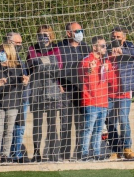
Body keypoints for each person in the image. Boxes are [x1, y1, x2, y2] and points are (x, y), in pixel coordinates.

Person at [106, 26, 134, 160]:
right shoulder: (107, 49)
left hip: (124, 92)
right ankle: (115, 149)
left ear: (124, 38)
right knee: (110, 122)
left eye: (118, 37)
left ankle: (127, 147)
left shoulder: (129, 47)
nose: (115, 39)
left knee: (123, 120)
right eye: (114, 37)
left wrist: (122, 51)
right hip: (108, 93)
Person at [27, 25, 63, 162]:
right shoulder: (32, 48)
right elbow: (32, 63)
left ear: (51, 36)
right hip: (36, 90)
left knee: (52, 124)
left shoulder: (56, 49)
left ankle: (53, 153)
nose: (44, 37)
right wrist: (47, 62)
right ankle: (36, 153)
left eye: (46, 34)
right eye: (41, 34)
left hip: (52, 90)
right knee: (37, 123)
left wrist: (41, 63)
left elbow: (58, 67)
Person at [58, 22, 91, 160]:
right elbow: (55, 67)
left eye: (81, 30)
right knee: (65, 123)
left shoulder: (85, 47)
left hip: (81, 90)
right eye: (77, 31)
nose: (80, 33)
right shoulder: (60, 47)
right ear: (69, 33)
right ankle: (64, 155)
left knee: (81, 123)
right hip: (65, 90)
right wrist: (57, 83)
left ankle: (80, 154)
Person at [79, 36, 111, 161]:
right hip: (91, 101)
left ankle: (97, 153)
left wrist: (108, 71)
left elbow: (111, 80)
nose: (105, 48)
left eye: (105, 46)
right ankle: (84, 154)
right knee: (88, 129)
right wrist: (89, 70)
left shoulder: (105, 62)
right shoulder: (87, 61)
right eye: (102, 46)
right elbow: (82, 76)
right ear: (94, 47)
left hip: (103, 102)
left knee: (99, 130)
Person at [0, 43, 29, 163]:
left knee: (9, 130)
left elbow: (22, 87)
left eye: (3, 51)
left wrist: (25, 83)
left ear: (9, 53)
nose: (0, 53)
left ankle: (5, 154)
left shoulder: (18, 67)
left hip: (13, 103)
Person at [6, 32, 30, 163]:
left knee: (19, 128)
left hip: (22, 99)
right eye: (17, 43)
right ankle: (5, 154)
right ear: (10, 43)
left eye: (21, 43)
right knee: (7, 128)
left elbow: (25, 77)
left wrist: (26, 81)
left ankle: (17, 154)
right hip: (9, 99)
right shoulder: (2, 59)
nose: (20, 45)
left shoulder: (20, 60)